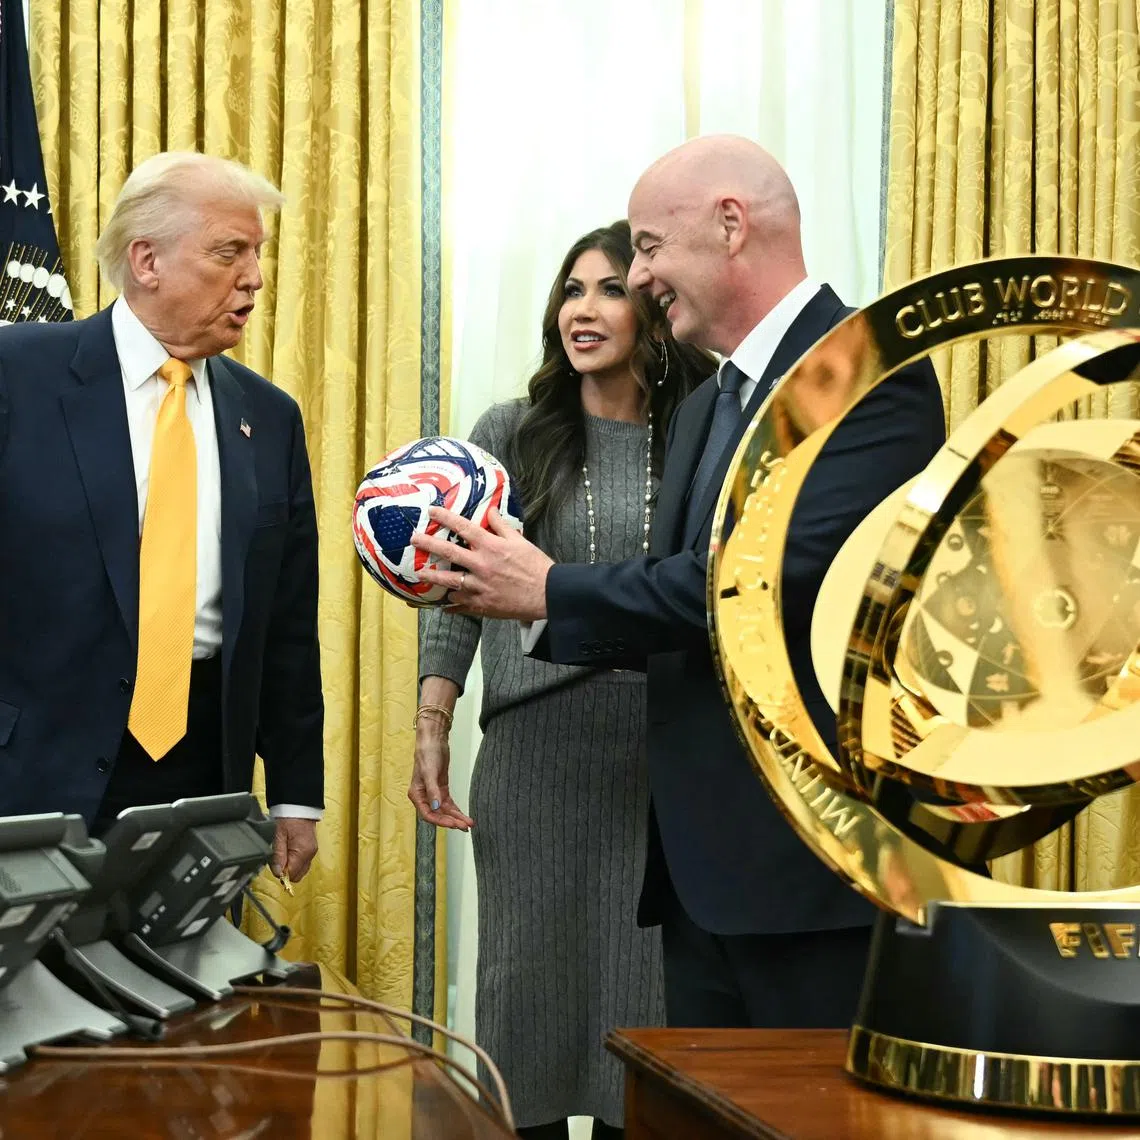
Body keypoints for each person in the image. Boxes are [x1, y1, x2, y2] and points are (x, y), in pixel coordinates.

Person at [409, 136, 947, 1028]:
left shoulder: (864, 368)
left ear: (731, 225)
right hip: (697, 884)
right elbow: (681, 606)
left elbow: (765, 585)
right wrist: (526, 607)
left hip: (812, 874)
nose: (641, 276)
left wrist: (551, 591)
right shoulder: (707, 409)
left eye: (649, 247)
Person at [410, 220, 716, 1139]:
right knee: (526, 1006)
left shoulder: (701, 433)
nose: (583, 309)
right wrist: (432, 721)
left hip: (660, 761)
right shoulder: (510, 431)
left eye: (610, 289)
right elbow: (452, 590)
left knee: (644, 1019)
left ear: (653, 307)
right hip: (534, 760)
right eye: (571, 291)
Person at [0, 151, 323, 882]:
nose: (255, 277)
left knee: (192, 960)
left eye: (257, 253)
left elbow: (286, 624)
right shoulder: (18, 375)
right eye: (229, 253)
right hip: (33, 771)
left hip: (203, 777)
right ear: (147, 260)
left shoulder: (269, 418)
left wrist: (296, 793)